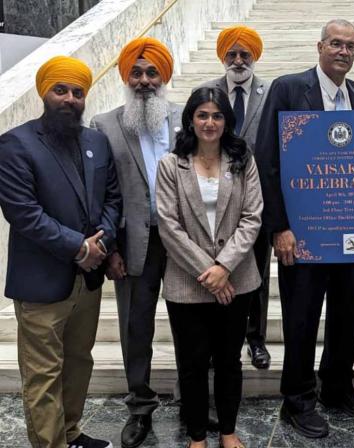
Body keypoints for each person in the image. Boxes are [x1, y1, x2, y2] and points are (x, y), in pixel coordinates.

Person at [253, 18, 354, 439]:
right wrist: (278, 228)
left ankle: (336, 384)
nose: (343, 52)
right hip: (302, 235)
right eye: (335, 44)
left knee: (346, 313)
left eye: (350, 47)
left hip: (350, 231)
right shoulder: (288, 88)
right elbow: (267, 163)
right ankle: (297, 398)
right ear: (319, 47)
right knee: (301, 317)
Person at [0, 56, 121, 448]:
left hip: (87, 280)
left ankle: (70, 432)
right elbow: (23, 213)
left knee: (78, 362)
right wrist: (78, 246)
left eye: (78, 92)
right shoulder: (16, 144)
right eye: (61, 90)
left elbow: (113, 198)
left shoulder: (96, 142)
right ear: (44, 93)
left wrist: (101, 242)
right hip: (41, 284)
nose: (69, 99)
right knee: (42, 375)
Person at [156, 87, 263, 448]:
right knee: (192, 363)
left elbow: (252, 217)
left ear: (226, 122)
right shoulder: (171, 165)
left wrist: (225, 266)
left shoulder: (242, 160)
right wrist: (211, 271)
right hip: (187, 283)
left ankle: (228, 431)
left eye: (217, 115)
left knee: (230, 361)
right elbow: (168, 225)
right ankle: (198, 436)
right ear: (190, 119)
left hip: (238, 280)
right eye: (202, 114)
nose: (210, 122)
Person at [90, 36, 181, 448]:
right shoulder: (105, 124)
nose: (144, 80)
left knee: (193, 325)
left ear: (164, 75)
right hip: (132, 243)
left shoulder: (191, 116)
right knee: (135, 326)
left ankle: (197, 399)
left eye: (152, 72)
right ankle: (140, 408)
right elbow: (101, 194)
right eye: (136, 73)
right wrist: (110, 250)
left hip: (185, 243)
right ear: (126, 76)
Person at [199, 26, 272, 369]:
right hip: (215, 200)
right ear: (223, 57)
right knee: (218, 268)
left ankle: (255, 340)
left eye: (245, 54)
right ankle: (218, 341)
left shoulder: (270, 91)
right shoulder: (210, 93)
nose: (239, 61)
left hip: (257, 200)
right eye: (233, 55)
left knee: (256, 273)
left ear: (255, 56)